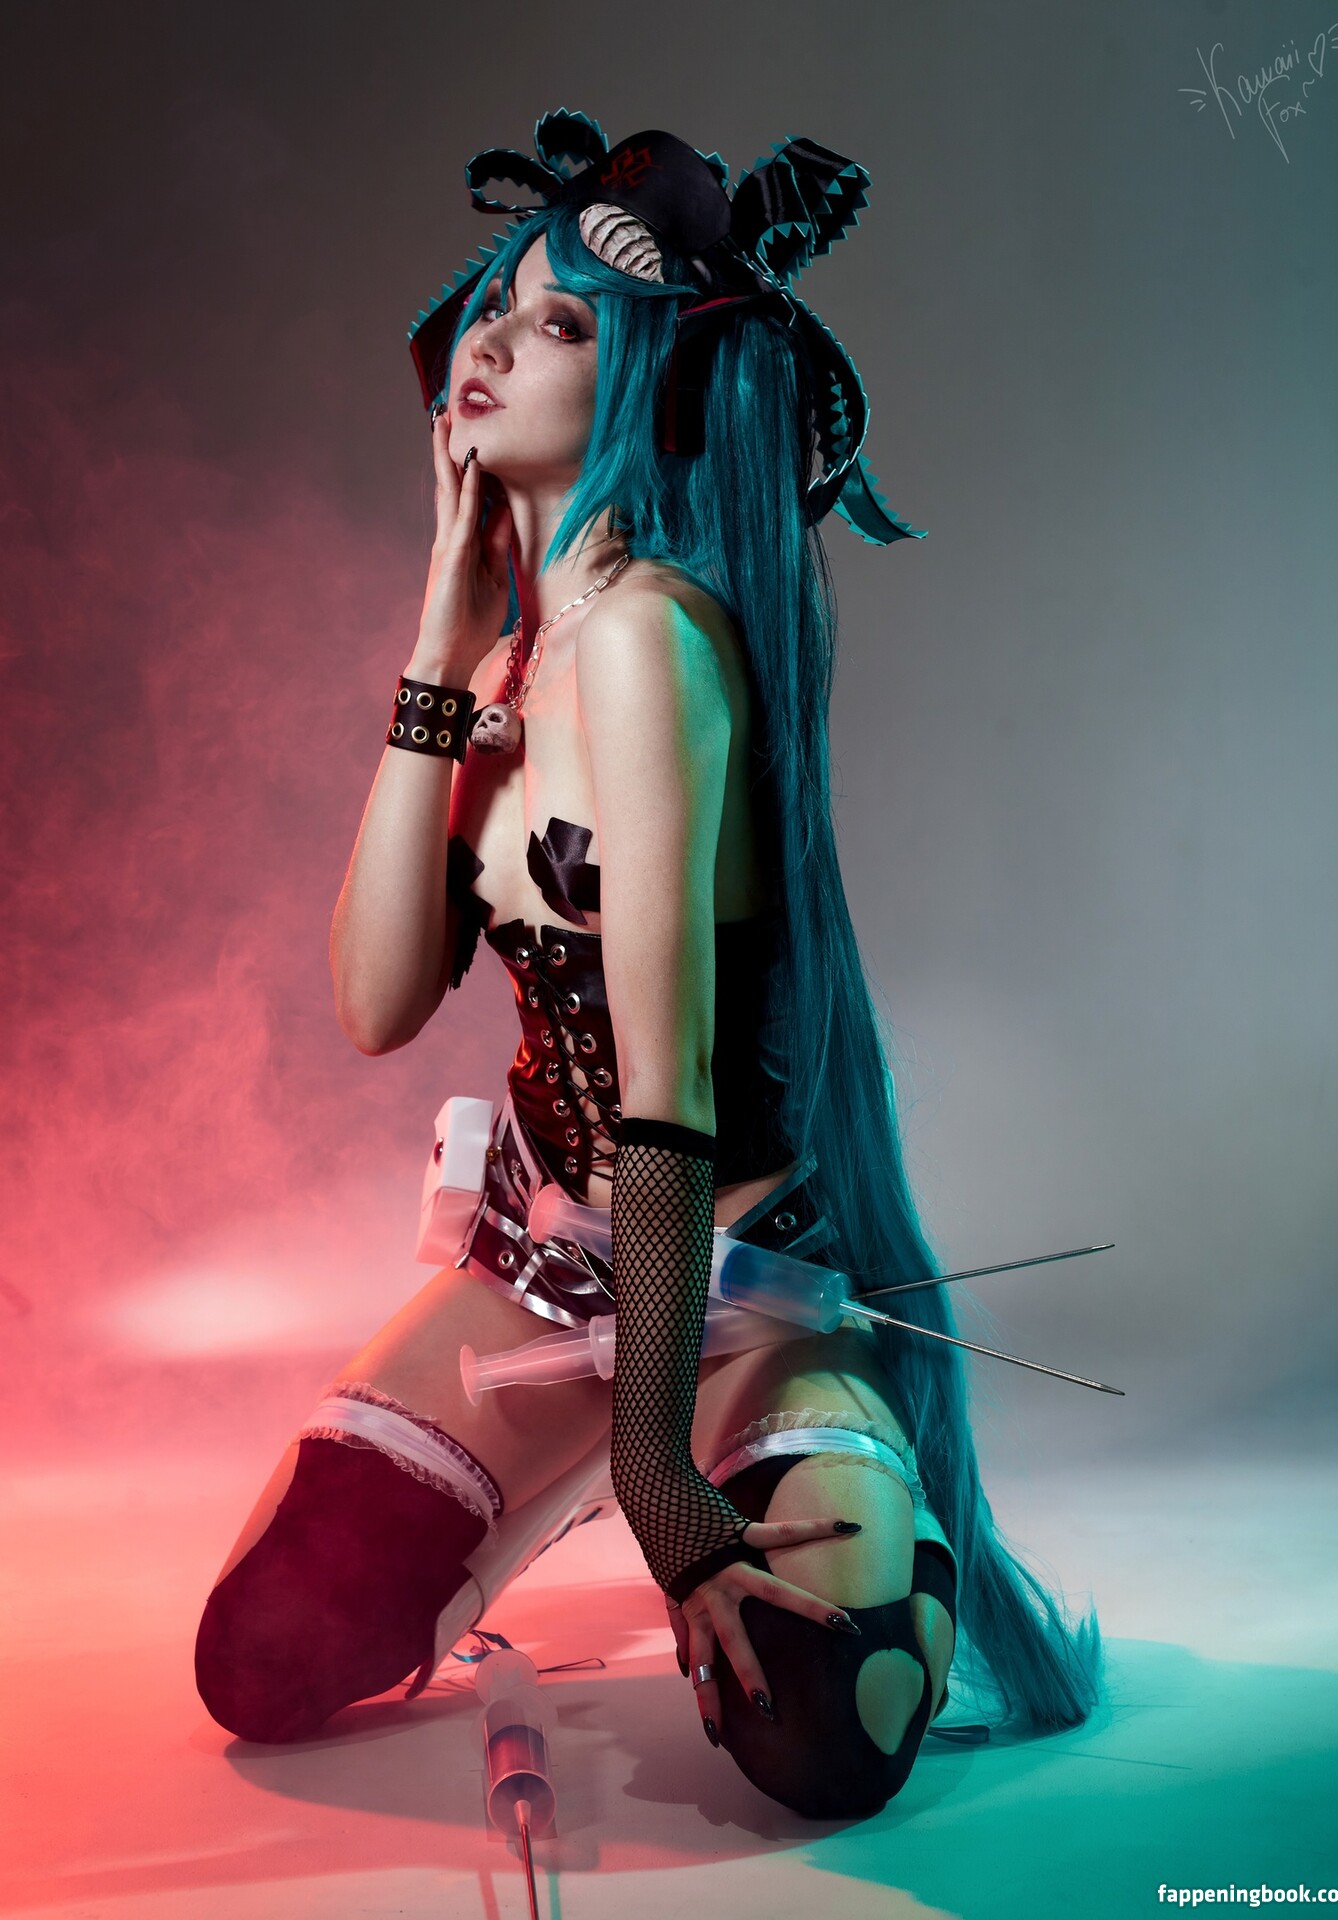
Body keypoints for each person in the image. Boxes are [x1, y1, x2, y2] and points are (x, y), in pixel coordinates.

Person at [195, 114, 1104, 1820]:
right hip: (541, 1280)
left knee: (823, 1732)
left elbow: (668, 1102)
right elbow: (376, 1008)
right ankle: (555, 1475)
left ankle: (736, 1458)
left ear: (643, 385)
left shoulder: (648, 640)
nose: (491, 339)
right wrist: (438, 647)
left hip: (738, 1293)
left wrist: (668, 1485)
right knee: (261, 1655)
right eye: (495, 303)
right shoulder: (521, 659)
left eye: (557, 323)